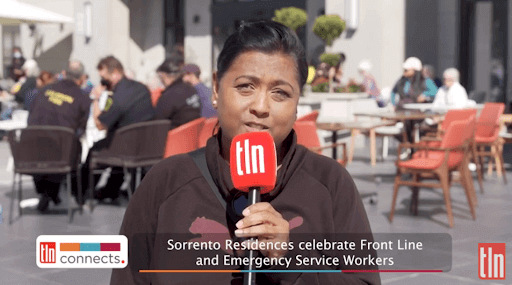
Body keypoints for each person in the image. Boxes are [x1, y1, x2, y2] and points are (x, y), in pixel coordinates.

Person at [110, 21, 380, 285]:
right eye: (245, 87)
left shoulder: (331, 183)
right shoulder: (166, 181)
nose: (261, 106)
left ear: (297, 103)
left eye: (280, 93)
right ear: (216, 88)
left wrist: (290, 261)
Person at [83, 55, 155, 202]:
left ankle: (82, 192)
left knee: (96, 150)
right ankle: (110, 190)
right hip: (146, 146)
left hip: (126, 148)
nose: (103, 82)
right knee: (115, 146)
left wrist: (96, 98)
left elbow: (100, 124)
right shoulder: (142, 88)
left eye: (104, 78)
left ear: (115, 73)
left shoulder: (117, 97)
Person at [27, 60, 91, 211]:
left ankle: (48, 193)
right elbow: (81, 128)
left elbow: (31, 118)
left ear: (63, 74)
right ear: (82, 78)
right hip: (62, 153)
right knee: (75, 148)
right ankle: (71, 195)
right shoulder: (83, 98)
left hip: (33, 152)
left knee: (48, 148)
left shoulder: (45, 90)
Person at [391, 57, 438, 144]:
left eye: (407, 70)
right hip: (402, 112)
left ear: (414, 70)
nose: (404, 72)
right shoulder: (401, 81)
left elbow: (435, 91)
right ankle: (408, 146)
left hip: (418, 114)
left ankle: (413, 147)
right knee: (397, 130)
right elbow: (393, 92)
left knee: (414, 129)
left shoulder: (424, 81)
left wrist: (425, 95)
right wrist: (393, 104)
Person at [154, 57, 201, 129]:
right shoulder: (192, 90)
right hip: (194, 135)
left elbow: (156, 122)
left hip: (175, 137)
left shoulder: (168, 96)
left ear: (164, 75)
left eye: (160, 77)